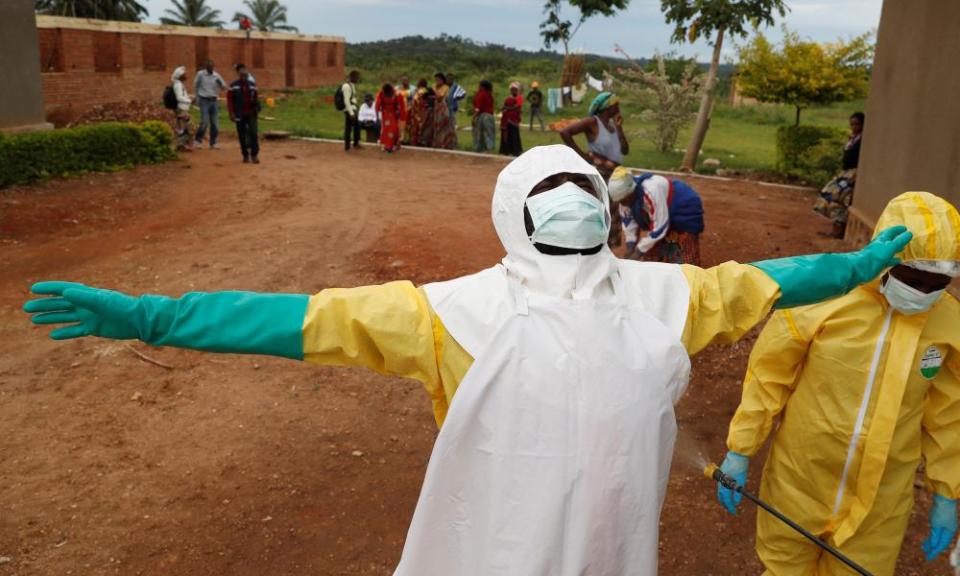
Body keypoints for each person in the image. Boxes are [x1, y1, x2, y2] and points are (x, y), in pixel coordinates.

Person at [23, 144, 911, 576]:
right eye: (554, 195)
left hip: (609, 552)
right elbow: (288, 322)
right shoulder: (452, 314)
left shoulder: (668, 300)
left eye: (580, 194)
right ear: (515, 215)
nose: (574, 208)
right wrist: (153, 316)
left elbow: (774, 280)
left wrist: (856, 267)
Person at [716, 191, 960, 576]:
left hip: (881, 503)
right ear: (885, 258)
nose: (923, 291)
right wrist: (741, 449)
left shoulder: (949, 324)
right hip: (800, 480)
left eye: (938, 283)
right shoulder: (825, 298)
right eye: (913, 277)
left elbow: (948, 415)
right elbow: (770, 377)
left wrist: (947, 491)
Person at [608, 167, 704, 265]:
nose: (622, 204)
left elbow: (660, 228)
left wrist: (637, 252)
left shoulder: (651, 191)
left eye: (624, 200)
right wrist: (630, 247)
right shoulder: (624, 200)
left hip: (684, 207)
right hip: (662, 211)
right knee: (651, 257)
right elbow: (629, 224)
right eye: (619, 201)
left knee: (684, 253)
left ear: (632, 192)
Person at [814, 112, 865, 239]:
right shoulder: (853, 139)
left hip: (853, 174)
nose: (854, 127)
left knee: (839, 198)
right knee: (831, 195)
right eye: (852, 124)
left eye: (856, 124)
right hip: (846, 173)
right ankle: (836, 228)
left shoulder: (862, 140)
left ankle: (838, 230)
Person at [559, 91, 629, 181]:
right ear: (607, 106)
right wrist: (582, 156)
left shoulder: (614, 125)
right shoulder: (592, 122)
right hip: (600, 175)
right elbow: (565, 132)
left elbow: (625, 151)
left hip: (615, 175)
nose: (618, 108)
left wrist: (619, 128)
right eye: (616, 104)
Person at [227, 63, 260, 164]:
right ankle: (245, 155)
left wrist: (257, 108)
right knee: (241, 135)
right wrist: (231, 113)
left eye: (244, 69)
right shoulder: (233, 86)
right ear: (238, 73)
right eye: (240, 70)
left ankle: (254, 155)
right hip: (239, 114)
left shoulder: (252, 85)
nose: (243, 72)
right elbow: (229, 100)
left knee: (253, 133)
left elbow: (256, 98)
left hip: (251, 113)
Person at [193, 59, 226, 149]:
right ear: (206, 67)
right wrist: (197, 97)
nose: (211, 69)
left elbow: (224, 86)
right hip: (204, 100)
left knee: (215, 123)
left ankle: (213, 142)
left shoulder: (216, 75)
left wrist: (221, 84)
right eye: (209, 67)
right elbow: (196, 85)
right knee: (204, 122)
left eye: (212, 67)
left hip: (214, 101)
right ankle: (197, 140)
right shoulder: (200, 74)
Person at [375, 83, 406, 153]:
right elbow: (377, 105)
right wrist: (377, 116)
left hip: (394, 113)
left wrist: (398, 112)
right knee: (387, 129)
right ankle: (387, 146)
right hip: (385, 113)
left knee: (395, 129)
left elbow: (400, 105)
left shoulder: (397, 94)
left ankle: (393, 145)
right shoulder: (381, 94)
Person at [432, 72, 457, 150]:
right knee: (436, 126)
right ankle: (437, 143)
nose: (437, 81)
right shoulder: (434, 86)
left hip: (442, 108)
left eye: (439, 79)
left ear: (442, 80)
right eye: (436, 80)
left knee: (443, 125)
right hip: (436, 107)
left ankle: (445, 144)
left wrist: (434, 91)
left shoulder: (445, 87)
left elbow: (440, 97)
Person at [171, 66, 193, 151]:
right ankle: (180, 144)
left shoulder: (179, 84)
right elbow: (179, 97)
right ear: (180, 76)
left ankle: (182, 145)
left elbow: (183, 96)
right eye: (184, 74)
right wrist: (189, 101)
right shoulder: (178, 85)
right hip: (181, 110)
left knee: (184, 128)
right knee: (189, 127)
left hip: (183, 109)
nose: (186, 75)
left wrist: (189, 97)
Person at [471, 79, 495, 153]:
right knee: (489, 133)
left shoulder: (481, 94)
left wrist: (474, 117)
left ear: (482, 87)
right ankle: (489, 148)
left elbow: (478, 107)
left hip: (482, 115)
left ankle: (479, 148)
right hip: (490, 115)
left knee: (479, 133)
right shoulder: (489, 94)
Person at [409, 79, 435, 148]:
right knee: (421, 126)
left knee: (418, 126)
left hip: (419, 111)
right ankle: (420, 141)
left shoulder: (420, 90)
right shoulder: (419, 90)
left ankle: (416, 141)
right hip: (420, 111)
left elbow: (416, 100)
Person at [498, 83, 522, 157]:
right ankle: (506, 150)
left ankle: (515, 151)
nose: (514, 91)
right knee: (507, 135)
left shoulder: (519, 98)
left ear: (517, 90)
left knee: (514, 135)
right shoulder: (508, 99)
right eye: (512, 90)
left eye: (515, 90)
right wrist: (504, 108)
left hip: (514, 120)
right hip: (507, 120)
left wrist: (507, 108)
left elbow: (517, 106)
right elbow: (504, 106)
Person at [341, 70, 361, 151]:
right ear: (352, 77)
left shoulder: (352, 85)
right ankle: (347, 146)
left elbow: (352, 98)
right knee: (349, 128)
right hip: (349, 110)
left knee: (356, 126)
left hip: (353, 108)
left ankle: (355, 143)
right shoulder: (346, 86)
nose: (358, 79)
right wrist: (351, 113)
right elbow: (346, 100)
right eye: (357, 77)